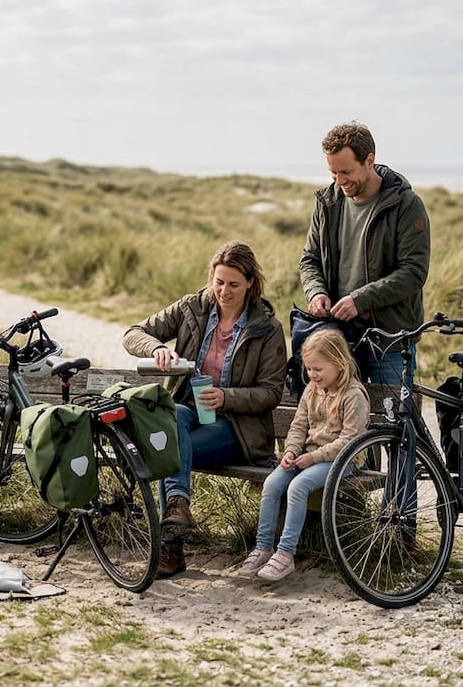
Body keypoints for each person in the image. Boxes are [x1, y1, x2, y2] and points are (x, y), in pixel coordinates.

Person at [123, 240, 287, 578]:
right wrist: (157, 349)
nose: (224, 291)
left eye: (233, 285)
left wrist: (227, 397)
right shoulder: (192, 308)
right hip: (187, 411)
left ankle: (170, 549)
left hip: (236, 427)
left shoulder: (267, 328)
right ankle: (178, 508)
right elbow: (133, 333)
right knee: (171, 420)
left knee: (166, 450)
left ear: (251, 284)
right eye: (219, 282)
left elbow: (271, 392)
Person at [299, 121, 430, 385]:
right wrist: (316, 292)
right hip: (338, 339)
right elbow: (309, 259)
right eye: (333, 172)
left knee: (391, 423)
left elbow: (413, 272)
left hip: (390, 341)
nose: (339, 180)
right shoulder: (327, 202)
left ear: (369, 160)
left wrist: (359, 300)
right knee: (338, 423)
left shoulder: (406, 205)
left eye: (346, 171)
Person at [237, 329, 369, 581]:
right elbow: (298, 426)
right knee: (273, 483)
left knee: (298, 486)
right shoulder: (312, 390)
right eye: (309, 369)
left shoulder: (353, 395)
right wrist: (290, 451)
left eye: (318, 369)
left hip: (343, 460)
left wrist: (313, 458)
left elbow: (348, 441)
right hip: (308, 456)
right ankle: (263, 547)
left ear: (339, 364)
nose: (312, 374)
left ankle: (286, 554)